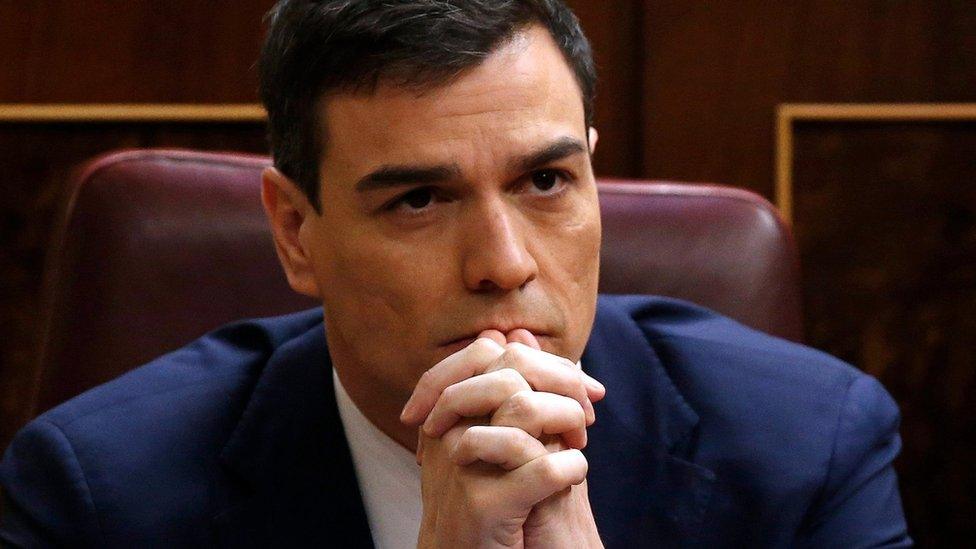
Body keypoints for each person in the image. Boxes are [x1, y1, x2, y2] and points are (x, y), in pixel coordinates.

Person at [0, 1, 911, 547]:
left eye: (546, 181)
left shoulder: (808, 452)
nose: (505, 264)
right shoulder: (101, 497)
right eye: (419, 201)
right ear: (295, 232)